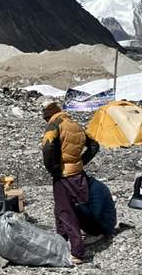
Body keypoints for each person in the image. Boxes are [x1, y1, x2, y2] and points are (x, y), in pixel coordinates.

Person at [40, 101, 99, 263]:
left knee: (66, 212)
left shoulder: (54, 125)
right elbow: (94, 145)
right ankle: (61, 238)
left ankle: (77, 252)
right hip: (77, 173)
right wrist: (81, 161)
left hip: (63, 174)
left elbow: (48, 147)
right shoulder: (74, 124)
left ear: (48, 115)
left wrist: (53, 169)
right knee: (62, 208)